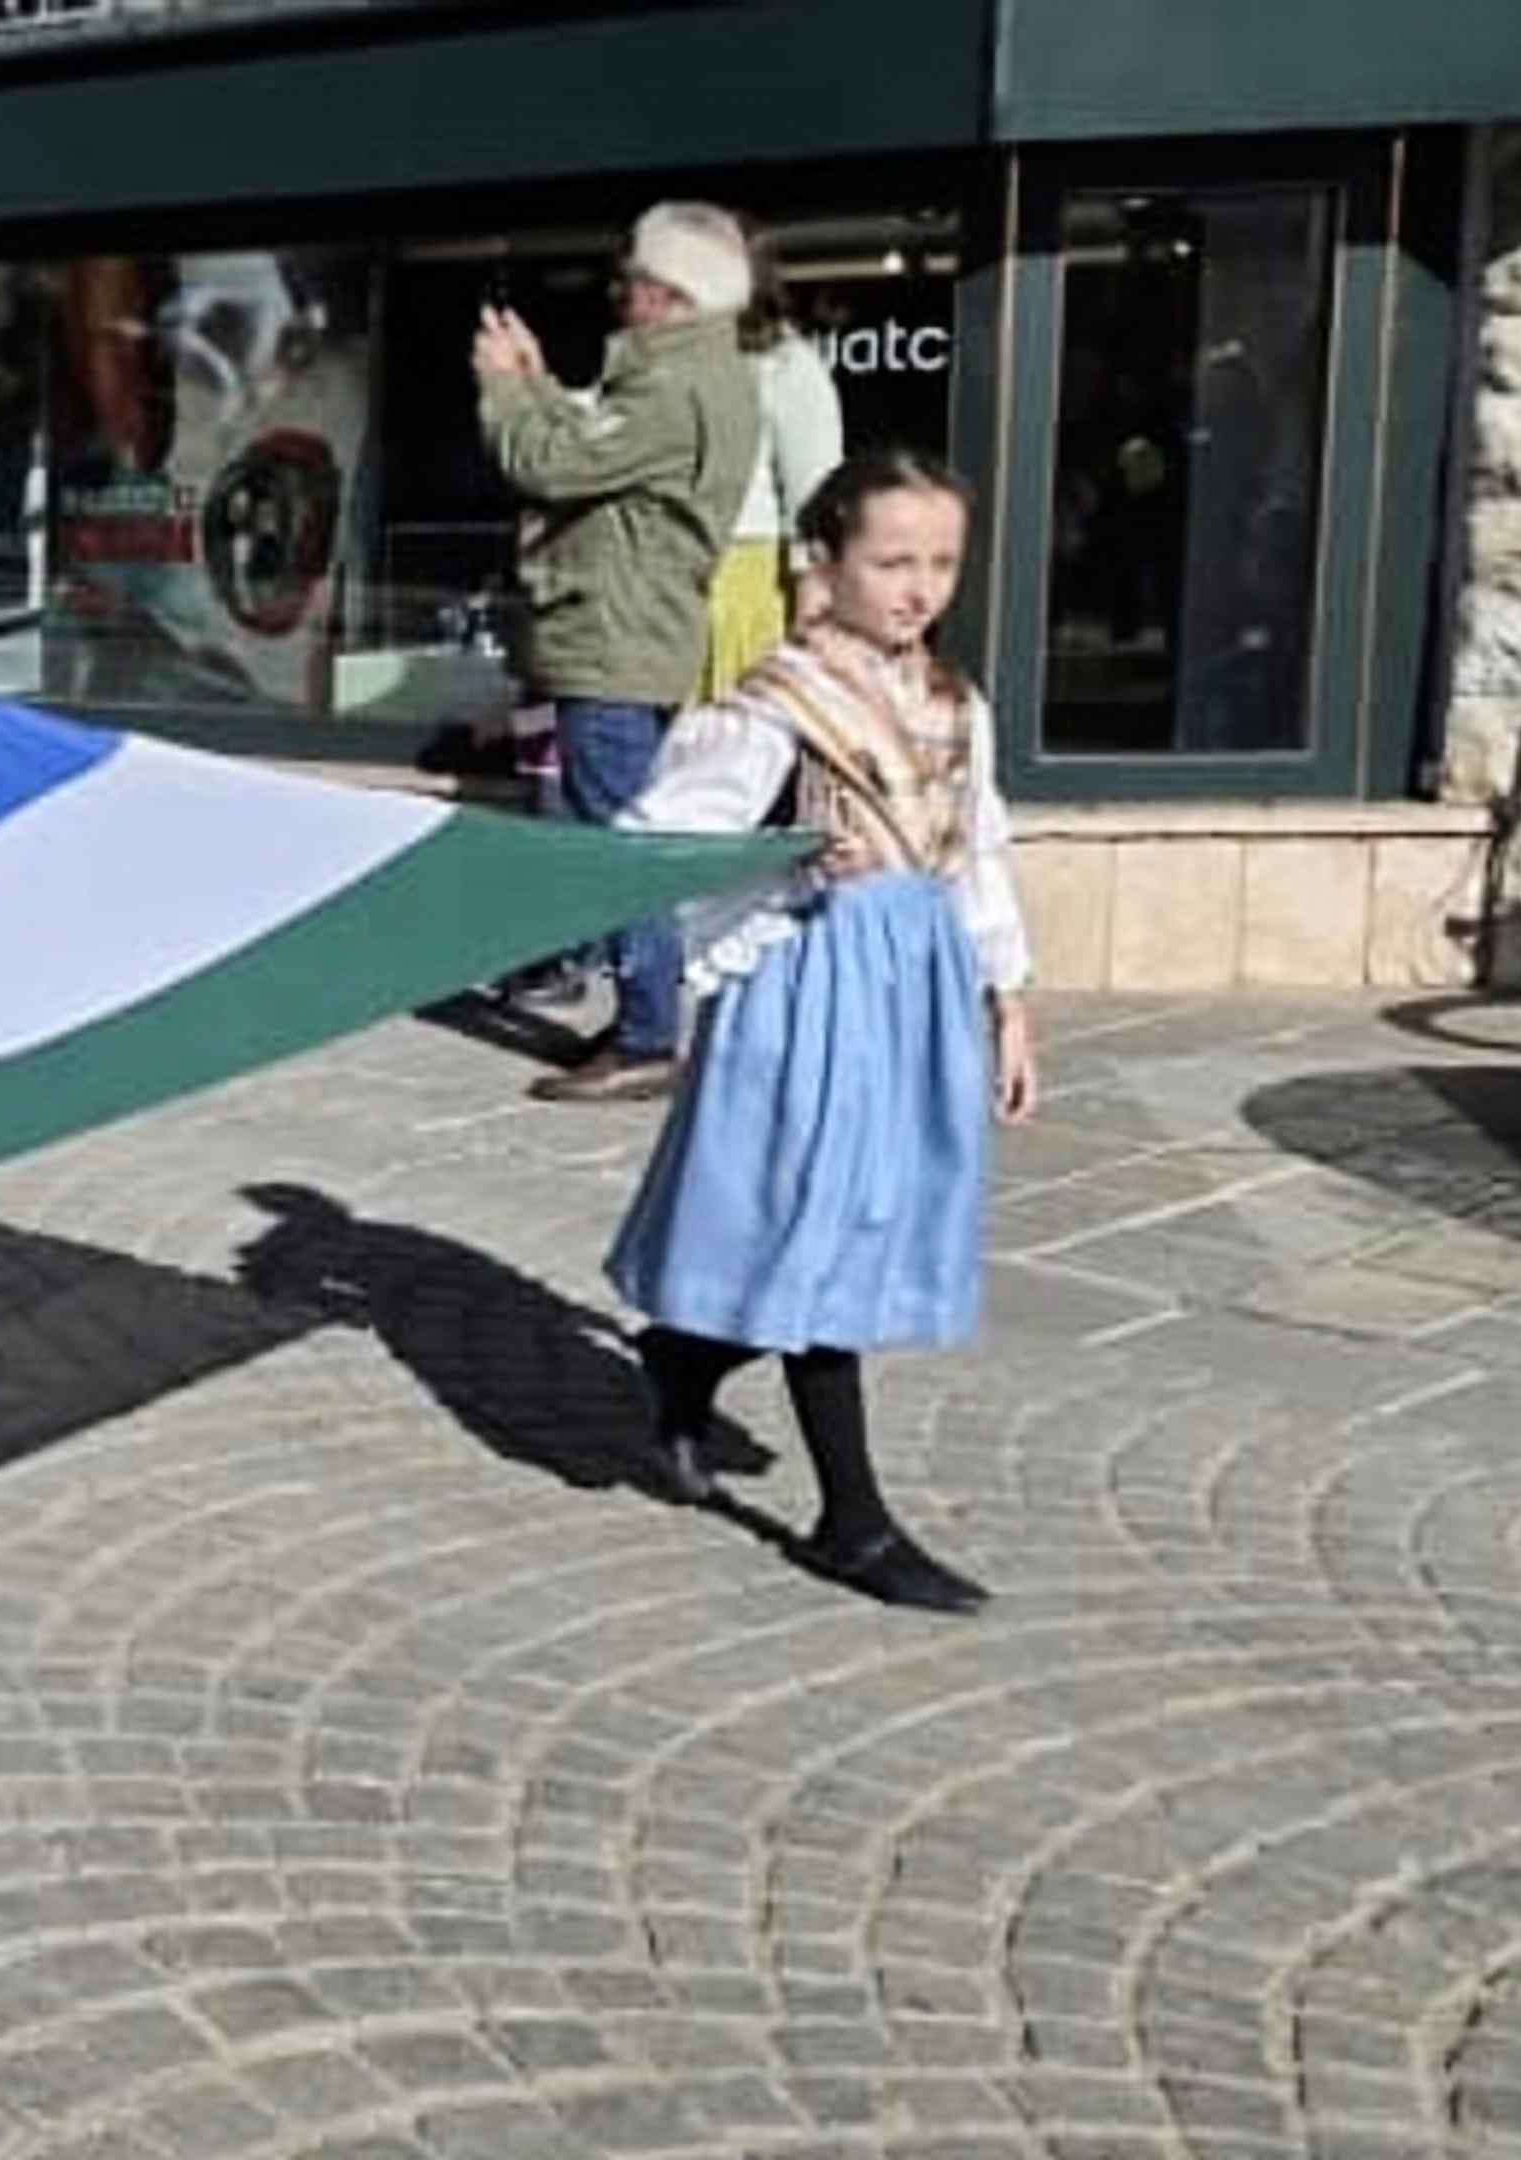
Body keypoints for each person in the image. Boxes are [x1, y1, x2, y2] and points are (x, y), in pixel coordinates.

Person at [604, 448, 1038, 1615]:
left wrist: (1009, 1002)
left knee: (870, 1220)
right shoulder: (775, 704)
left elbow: (978, 853)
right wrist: (786, 852)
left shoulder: (954, 702)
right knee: (826, 1230)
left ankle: (683, 1358)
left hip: (919, 983)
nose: (919, 587)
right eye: (893, 561)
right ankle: (852, 1520)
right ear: (827, 562)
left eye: (941, 561)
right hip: (814, 982)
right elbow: (659, 839)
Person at [475, 200, 759, 1103]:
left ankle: (644, 1039)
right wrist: (544, 380)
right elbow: (592, 454)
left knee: (617, 844)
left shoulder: (672, 388)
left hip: (615, 641)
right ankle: (645, 1015)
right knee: (627, 828)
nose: (620, 293)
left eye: (634, 279)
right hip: (639, 636)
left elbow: (548, 467)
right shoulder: (691, 379)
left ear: (671, 293)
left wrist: (504, 387)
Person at [706, 228, 847, 700]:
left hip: (742, 588)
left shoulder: (785, 364)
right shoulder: (661, 364)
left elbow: (817, 495)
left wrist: (812, 621)